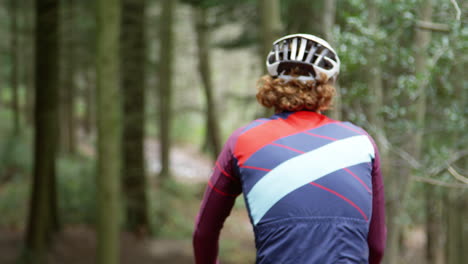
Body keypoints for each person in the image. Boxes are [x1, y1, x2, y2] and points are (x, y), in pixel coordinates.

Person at [193, 34, 386, 264]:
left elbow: (203, 234)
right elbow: (376, 246)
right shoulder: (361, 143)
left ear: (273, 84)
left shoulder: (243, 141)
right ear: (328, 86)